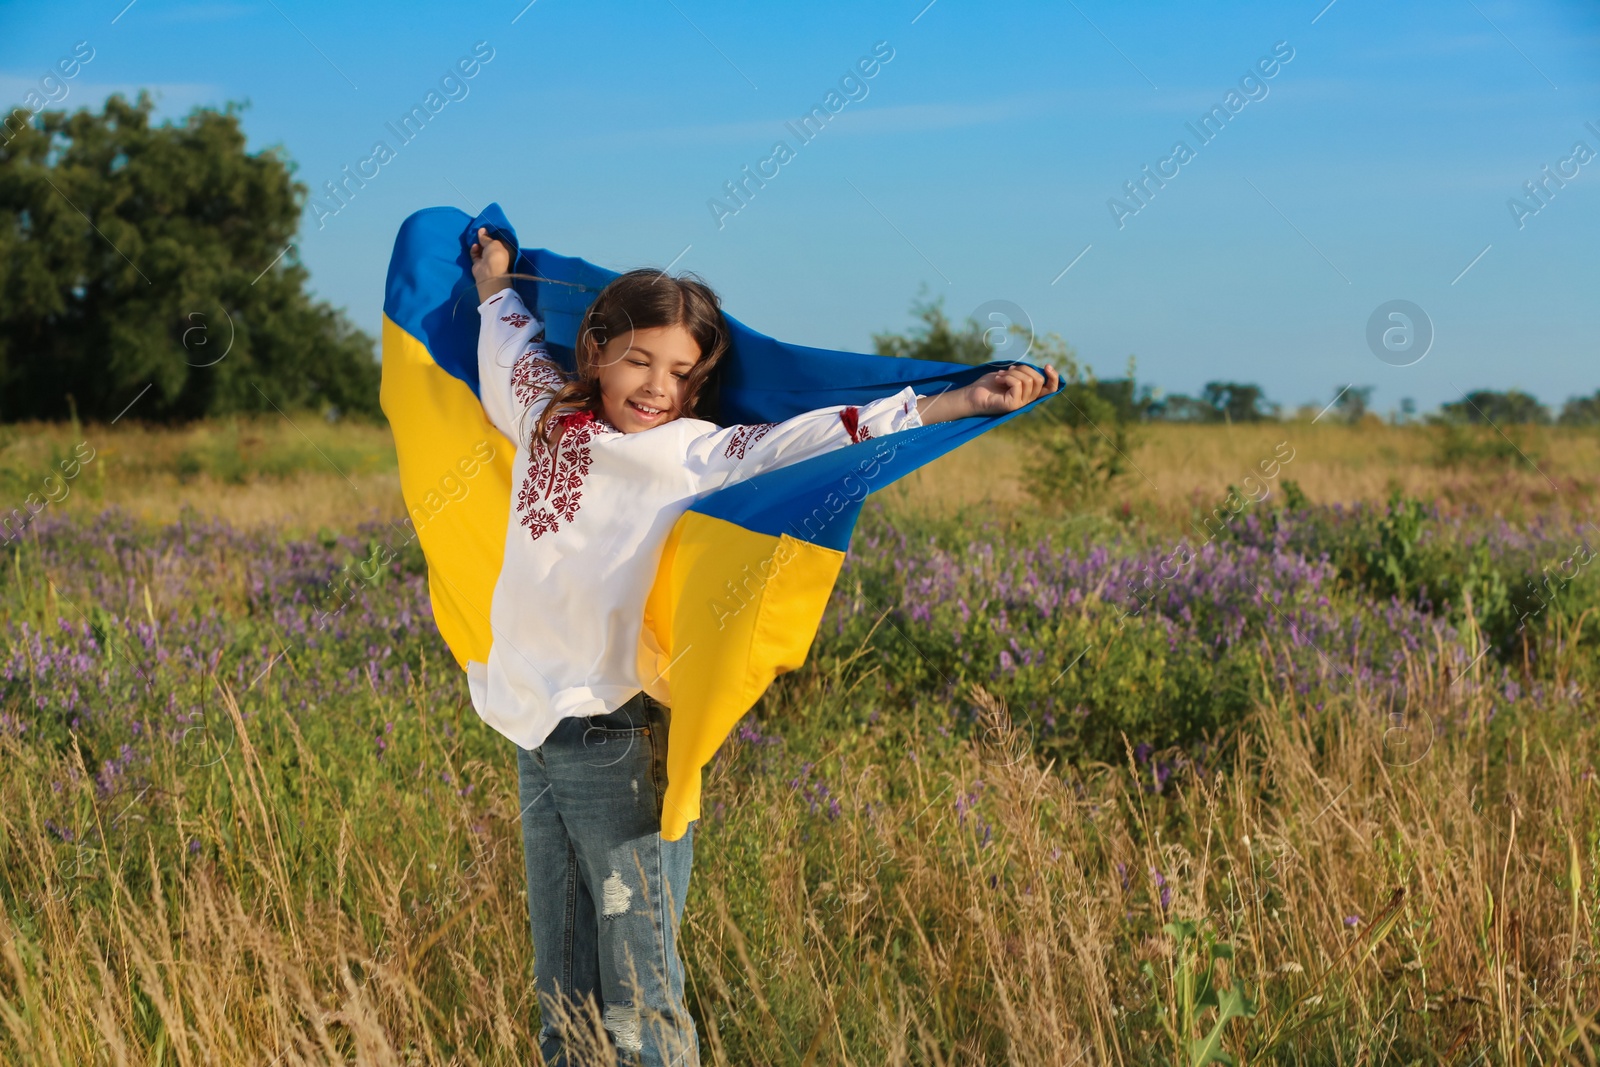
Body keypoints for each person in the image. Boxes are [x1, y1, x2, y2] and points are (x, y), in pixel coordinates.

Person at [469, 226, 1057, 1066]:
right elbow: (507, 340)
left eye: (682, 373)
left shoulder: (698, 453)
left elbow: (824, 433)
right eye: (639, 361)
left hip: (617, 733)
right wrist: (495, 280)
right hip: (533, 722)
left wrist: (958, 403)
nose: (657, 387)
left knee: (640, 991)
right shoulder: (542, 411)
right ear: (595, 350)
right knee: (564, 994)